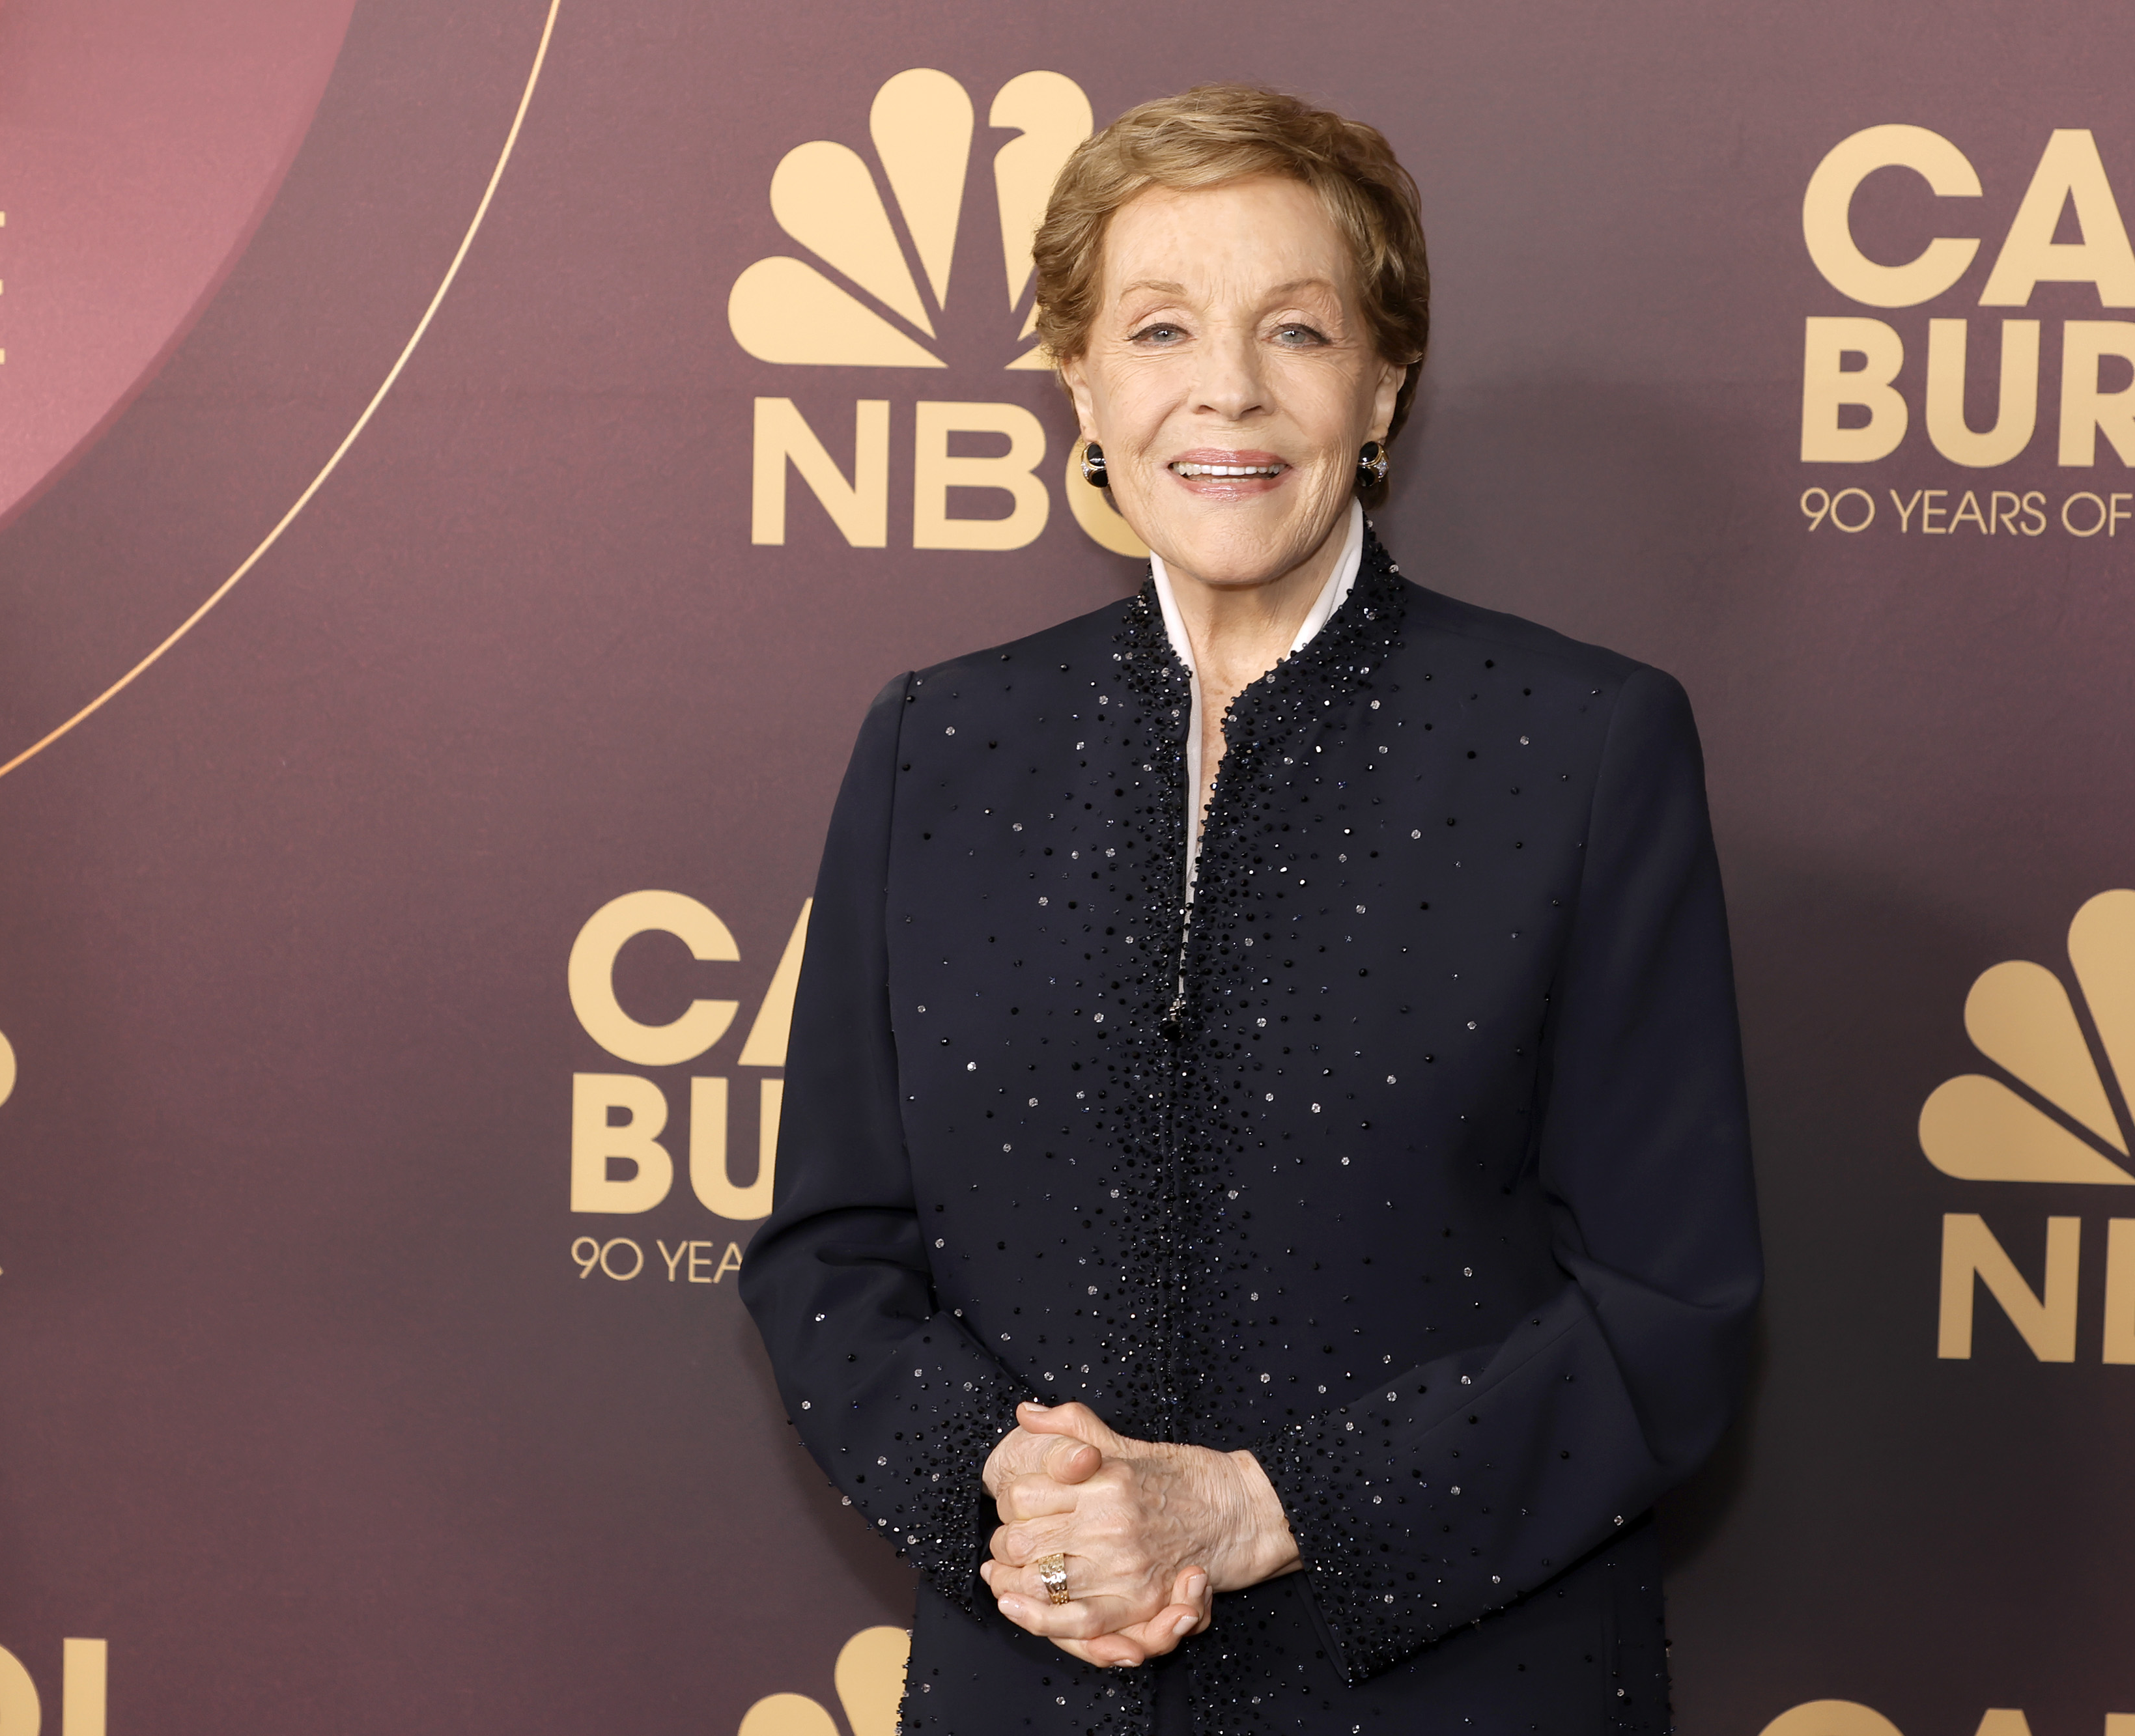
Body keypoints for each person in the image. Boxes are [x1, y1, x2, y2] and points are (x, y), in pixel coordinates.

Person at [740, 82, 1760, 1736]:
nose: (1223, 390)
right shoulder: (938, 744)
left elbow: (1671, 1314)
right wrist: (1016, 1493)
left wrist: (1250, 1510)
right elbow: (827, 1256)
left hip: (1458, 1689)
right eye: (1156, 328)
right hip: (1035, 1680)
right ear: (1077, 373)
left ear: (1383, 383)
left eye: (1294, 330)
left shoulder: (1577, 745)